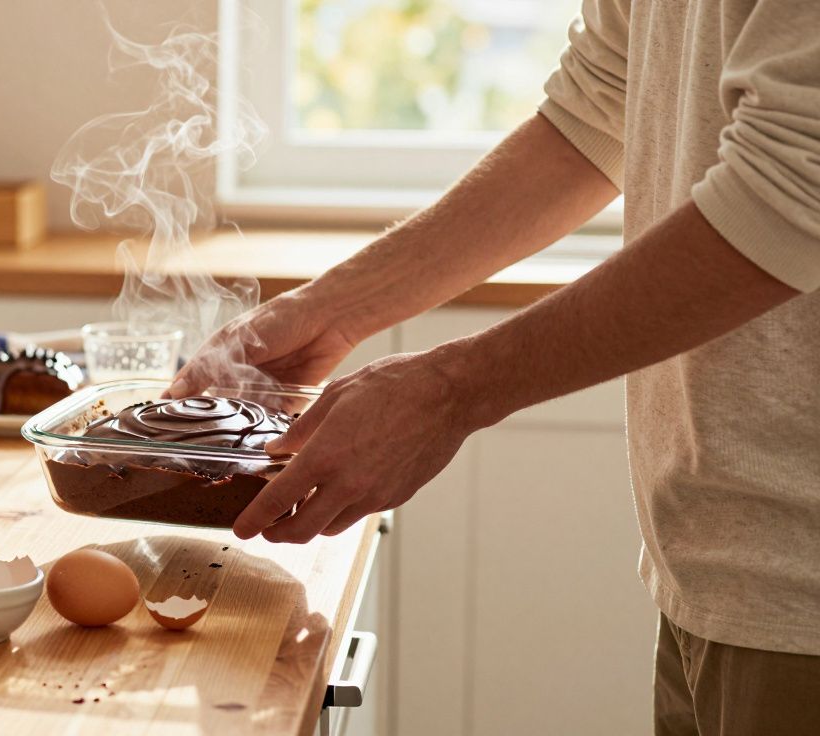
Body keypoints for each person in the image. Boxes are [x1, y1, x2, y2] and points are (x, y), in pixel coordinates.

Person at [167, 0, 820, 733]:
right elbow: (603, 100)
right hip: (712, 564)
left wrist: (451, 391)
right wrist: (337, 307)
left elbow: (794, 186)